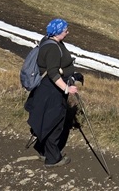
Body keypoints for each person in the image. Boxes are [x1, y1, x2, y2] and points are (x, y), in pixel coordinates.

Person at [24, 18, 80, 167]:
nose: (68, 32)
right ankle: (53, 159)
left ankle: (44, 151)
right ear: (57, 32)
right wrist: (67, 88)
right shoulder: (53, 48)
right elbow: (53, 73)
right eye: (65, 30)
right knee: (55, 123)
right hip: (51, 92)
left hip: (46, 90)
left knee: (47, 120)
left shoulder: (48, 41)